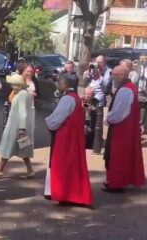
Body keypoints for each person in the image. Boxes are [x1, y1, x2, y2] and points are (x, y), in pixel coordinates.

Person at [44, 73, 93, 207]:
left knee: (62, 166)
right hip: (73, 138)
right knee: (72, 167)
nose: (58, 84)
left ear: (66, 84)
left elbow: (55, 119)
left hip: (65, 139)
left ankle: (64, 194)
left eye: (60, 82)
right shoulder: (76, 98)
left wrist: (48, 123)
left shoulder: (67, 99)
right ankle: (71, 194)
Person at [103, 66, 146, 192]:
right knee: (121, 157)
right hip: (126, 128)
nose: (113, 77)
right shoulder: (129, 87)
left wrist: (107, 118)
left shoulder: (125, 90)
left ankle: (116, 184)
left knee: (117, 157)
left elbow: (118, 112)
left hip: (121, 130)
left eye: (115, 74)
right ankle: (114, 181)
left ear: (122, 75)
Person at [0, 74, 35, 179]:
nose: (11, 86)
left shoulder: (22, 94)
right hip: (17, 126)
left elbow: (23, 112)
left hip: (17, 127)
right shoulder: (20, 93)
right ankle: (30, 170)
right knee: (23, 149)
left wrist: (22, 128)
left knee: (7, 147)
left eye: (13, 84)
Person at [135, 52, 147, 134]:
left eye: (144, 59)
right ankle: (136, 128)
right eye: (141, 59)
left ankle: (145, 129)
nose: (142, 60)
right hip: (137, 92)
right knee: (136, 111)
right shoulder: (136, 68)